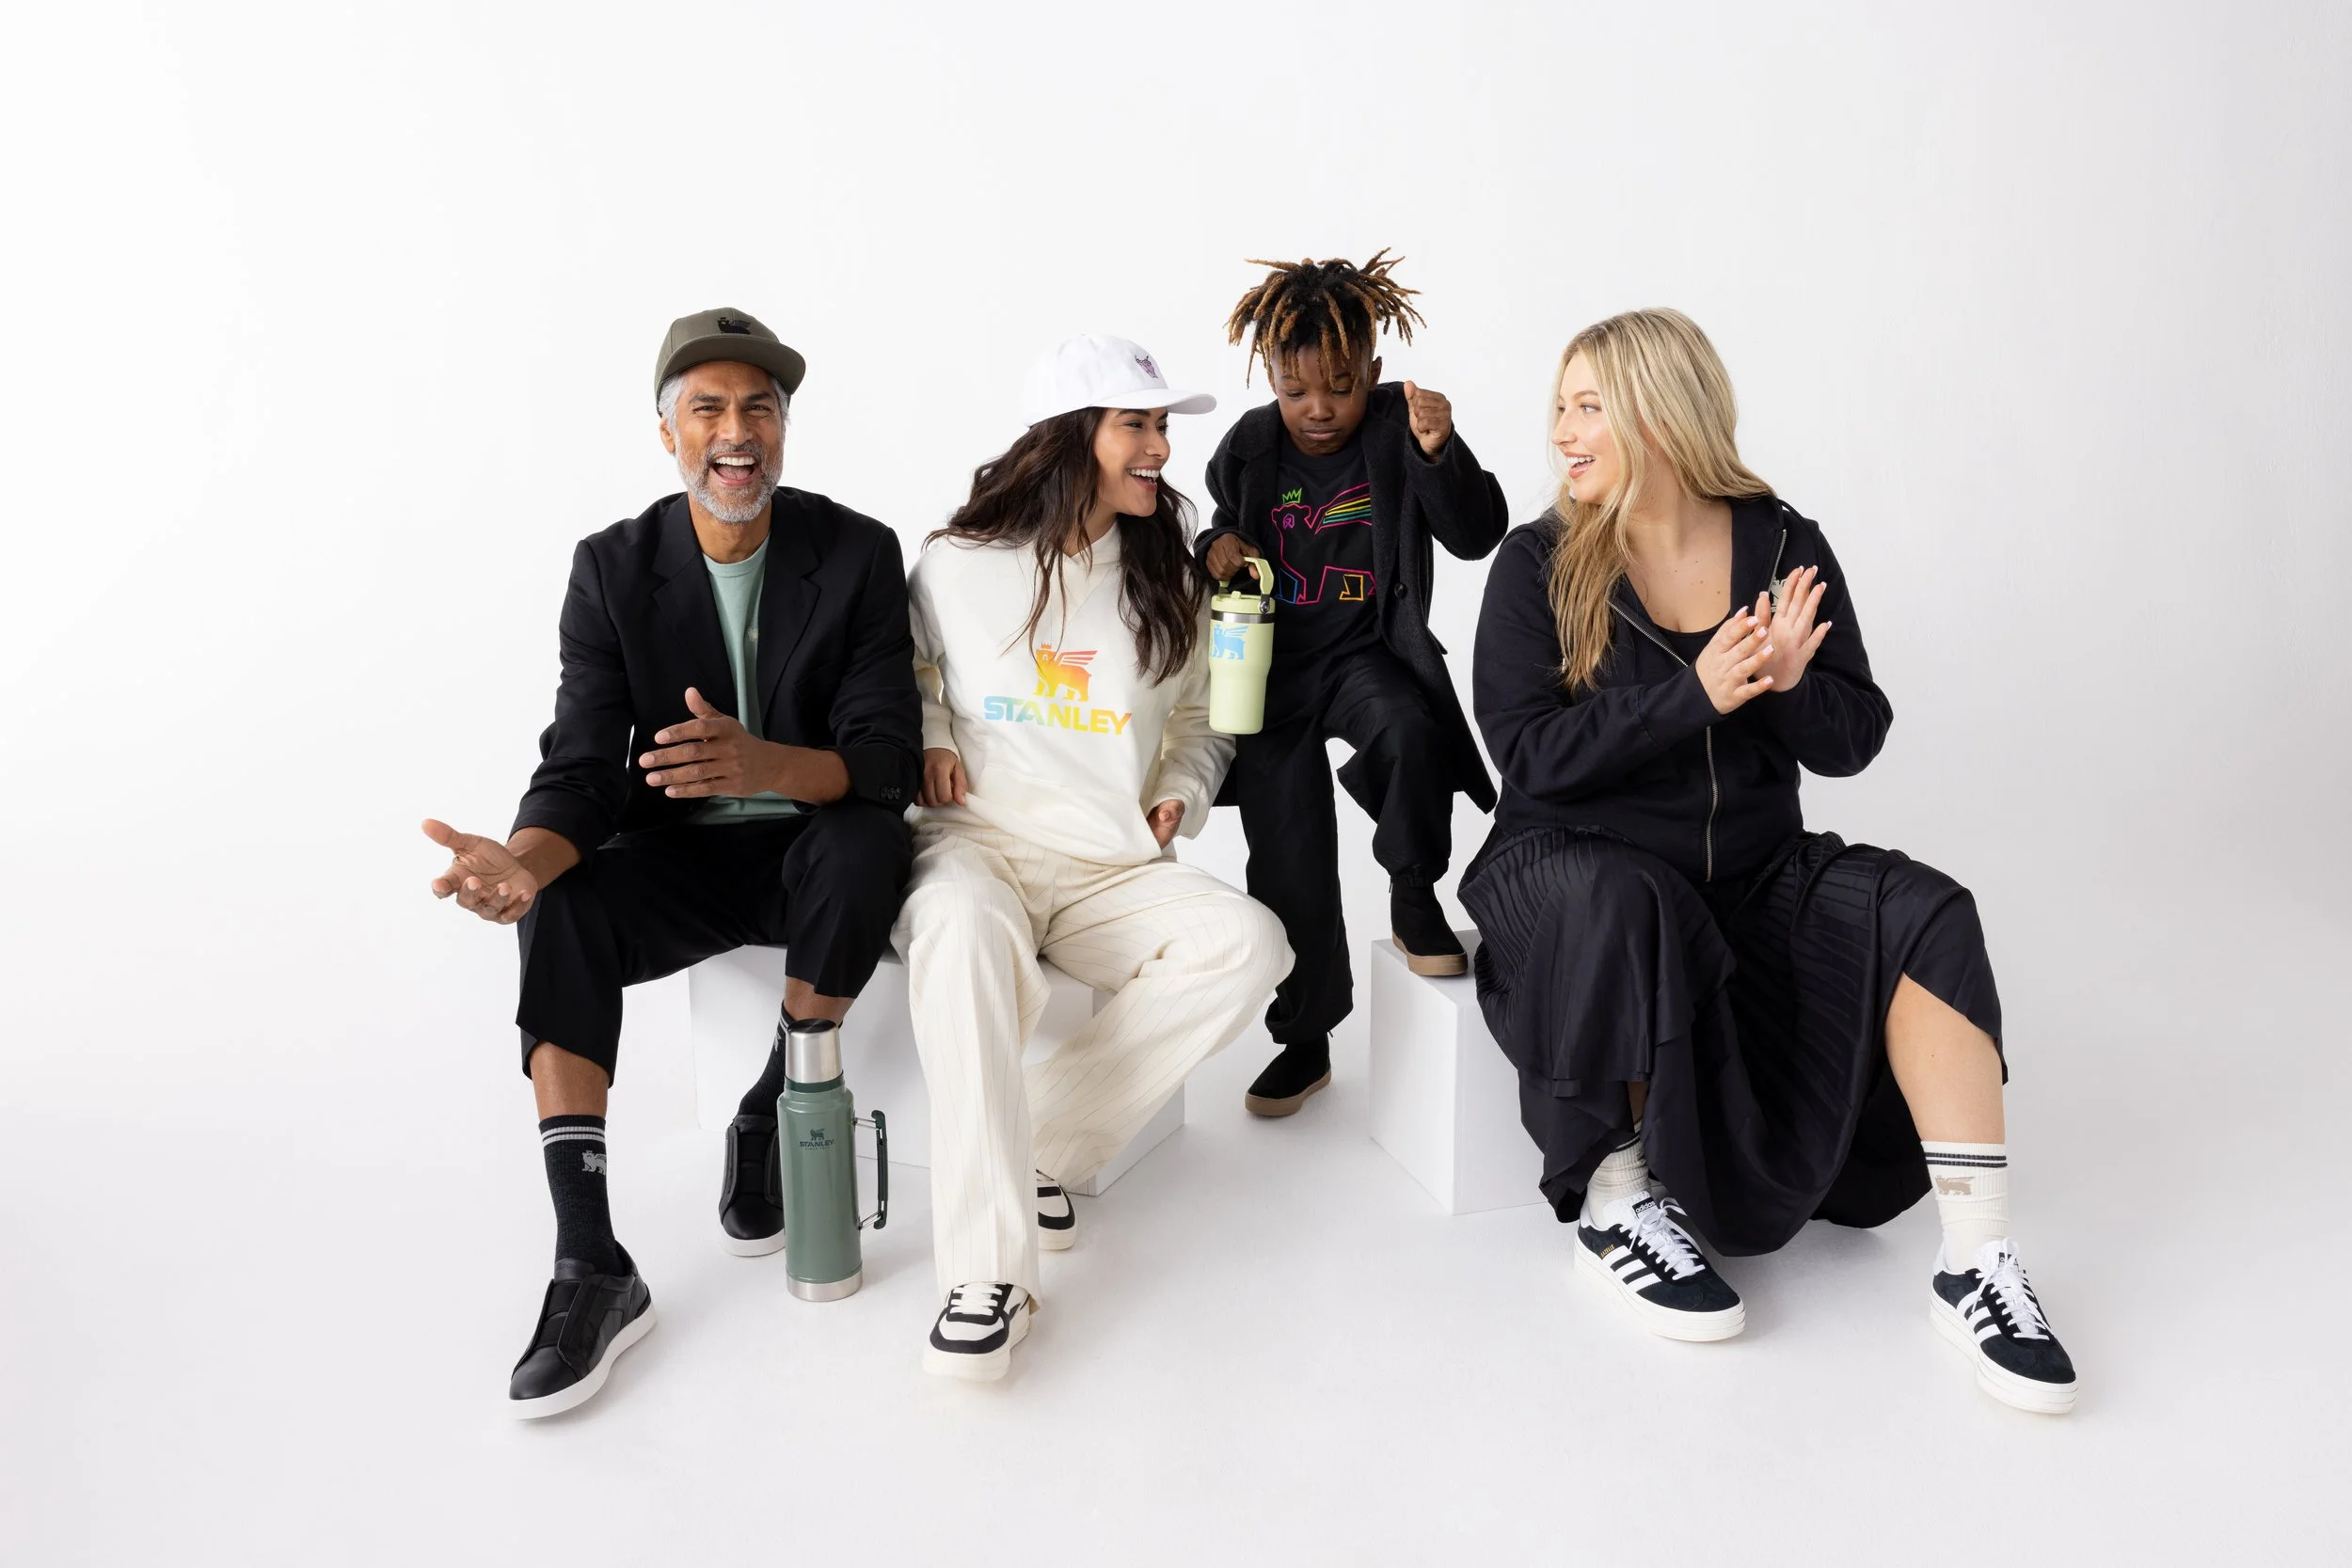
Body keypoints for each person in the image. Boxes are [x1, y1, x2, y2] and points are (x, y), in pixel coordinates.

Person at [1462, 308, 2079, 1414]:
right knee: (1625, 892)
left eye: (1587, 404)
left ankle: (1976, 1259)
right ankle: (1613, 1202)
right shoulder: (1536, 560)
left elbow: (1853, 738)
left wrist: (1792, 684)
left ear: (1660, 409)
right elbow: (1527, 756)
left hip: (1750, 872)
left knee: (1925, 908)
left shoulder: (1782, 543)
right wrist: (1687, 697)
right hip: (1567, 868)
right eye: (1558, 404)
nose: (1561, 429)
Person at [422, 308, 921, 1418]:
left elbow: (882, 761)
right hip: (679, 862)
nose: (735, 432)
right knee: (557, 905)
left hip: (810, 848)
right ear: (668, 435)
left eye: (759, 408)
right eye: (709, 409)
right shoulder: (611, 567)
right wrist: (523, 858)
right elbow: (586, 765)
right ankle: (591, 1260)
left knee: (866, 841)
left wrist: (765, 761)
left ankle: (769, 1100)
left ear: (784, 431)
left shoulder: (856, 553)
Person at [898, 334, 1293, 1381]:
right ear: (1073, 438)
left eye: (1164, 424)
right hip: (976, 842)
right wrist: (935, 734)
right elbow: (910, 666)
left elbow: (1207, 712)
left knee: (1247, 944)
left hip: (1109, 863)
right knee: (958, 929)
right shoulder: (956, 559)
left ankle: (1032, 1151)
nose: (1163, 447)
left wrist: (1184, 786)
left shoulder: (1168, 565)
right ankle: (983, 1271)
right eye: (1140, 423)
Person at [1193, 252, 1509, 1117]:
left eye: (1339, 384)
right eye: (1297, 391)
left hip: (1366, 654)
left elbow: (1478, 533)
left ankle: (1414, 893)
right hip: (1269, 672)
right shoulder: (1249, 445)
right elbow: (1216, 527)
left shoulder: (1395, 429)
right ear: (1269, 377)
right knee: (1288, 857)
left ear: (1370, 371)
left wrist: (1439, 452)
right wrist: (1212, 548)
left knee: (1409, 729)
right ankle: (1306, 1039)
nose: (1319, 409)